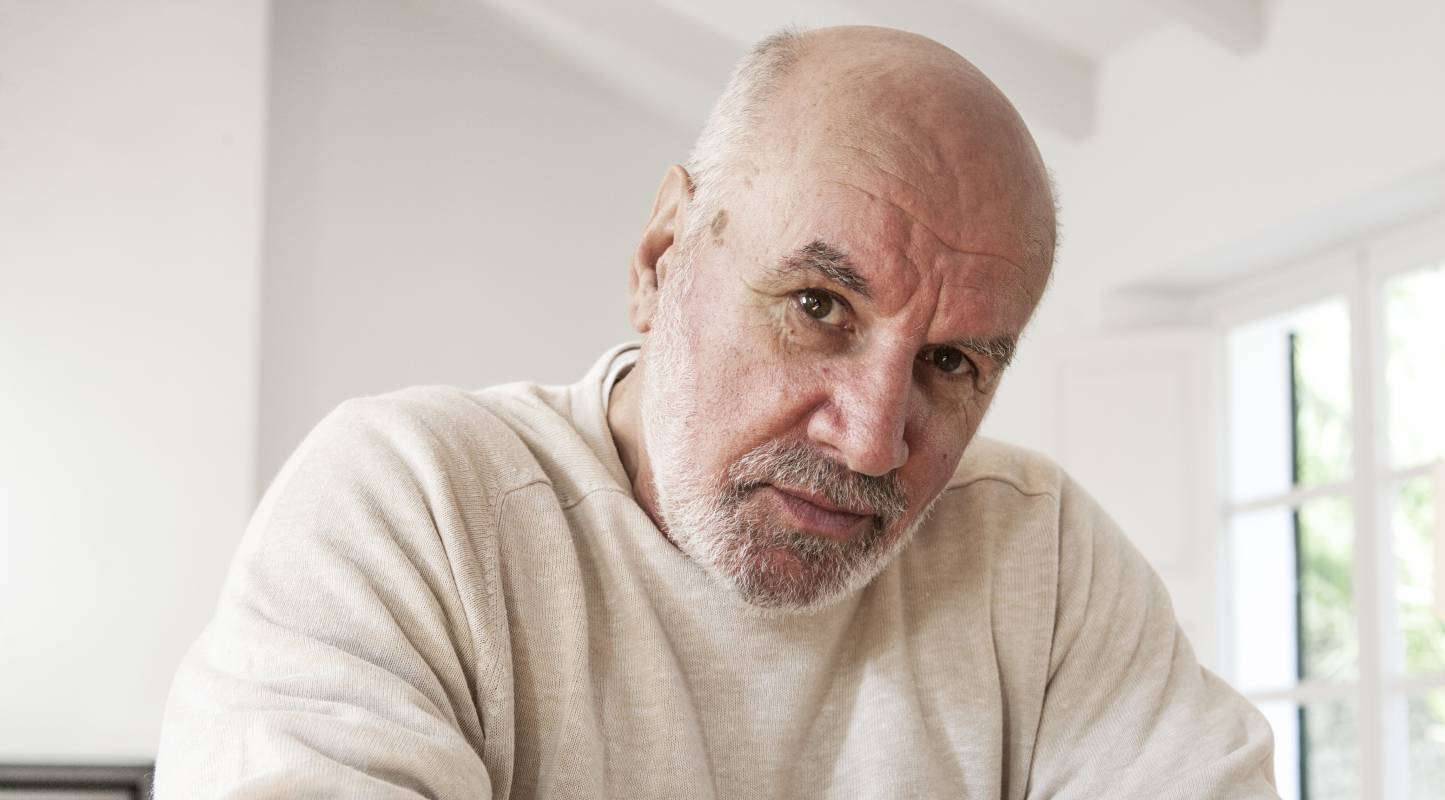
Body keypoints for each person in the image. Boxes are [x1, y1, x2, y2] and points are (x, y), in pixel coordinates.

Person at [156, 25, 1276, 798]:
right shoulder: (416, 502)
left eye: (950, 362)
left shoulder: (1044, 558)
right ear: (660, 256)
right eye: (817, 304)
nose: (873, 436)